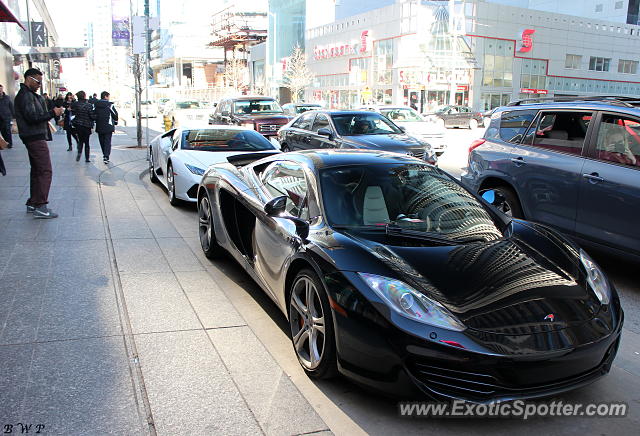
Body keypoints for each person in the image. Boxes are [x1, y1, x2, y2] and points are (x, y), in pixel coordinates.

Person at [14, 68, 64, 218]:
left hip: (33, 136)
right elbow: (33, 117)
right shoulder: (25, 96)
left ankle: (33, 202)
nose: (39, 85)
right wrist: (52, 113)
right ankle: (41, 206)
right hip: (34, 137)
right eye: (38, 82)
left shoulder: (28, 95)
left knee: (37, 170)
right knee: (44, 170)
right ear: (29, 79)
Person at [71, 91, 96, 162]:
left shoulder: (75, 104)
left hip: (78, 125)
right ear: (84, 96)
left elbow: (72, 111)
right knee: (87, 142)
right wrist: (96, 116)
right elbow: (92, 116)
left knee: (80, 140)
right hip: (86, 126)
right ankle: (87, 158)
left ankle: (79, 152)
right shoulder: (89, 105)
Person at [94, 91, 118, 163]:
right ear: (105, 96)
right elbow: (115, 115)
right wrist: (115, 121)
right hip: (108, 126)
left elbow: (93, 114)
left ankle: (104, 154)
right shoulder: (110, 105)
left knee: (102, 141)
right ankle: (106, 156)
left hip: (99, 126)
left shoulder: (96, 105)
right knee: (107, 141)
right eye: (108, 96)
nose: (109, 98)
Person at [0, 84, 14, 149]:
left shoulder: (7, 97)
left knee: (8, 131)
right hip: (0, 118)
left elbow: (11, 107)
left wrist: (13, 117)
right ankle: (4, 143)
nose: (0, 90)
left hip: (7, 117)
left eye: (1, 89)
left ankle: (9, 144)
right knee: (3, 132)